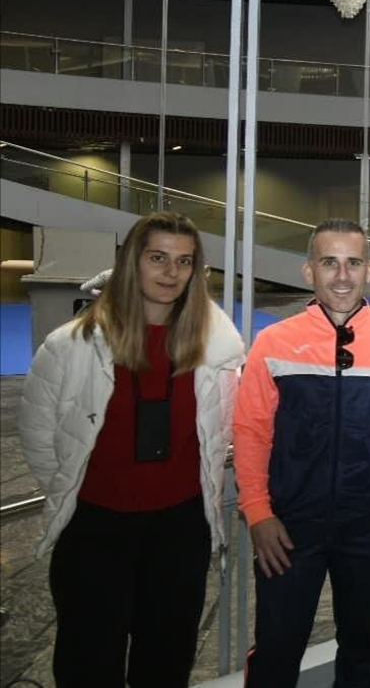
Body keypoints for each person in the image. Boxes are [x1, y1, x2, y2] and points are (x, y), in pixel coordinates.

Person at [20, 211, 243, 688]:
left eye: (184, 262)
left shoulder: (218, 349)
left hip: (180, 531)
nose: (170, 273)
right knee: (88, 661)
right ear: (131, 263)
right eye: (157, 258)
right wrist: (80, 492)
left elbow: (225, 429)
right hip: (96, 529)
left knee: (166, 661)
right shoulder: (70, 346)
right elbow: (40, 438)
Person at [236, 218, 370, 688]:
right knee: (277, 647)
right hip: (289, 527)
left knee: (363, 647)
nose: (342, 275)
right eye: (330, 262)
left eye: (353, 263)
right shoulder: (274, 342)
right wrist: (257, 511)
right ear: (309, 271)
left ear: (368, 270)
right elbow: (250, 431)